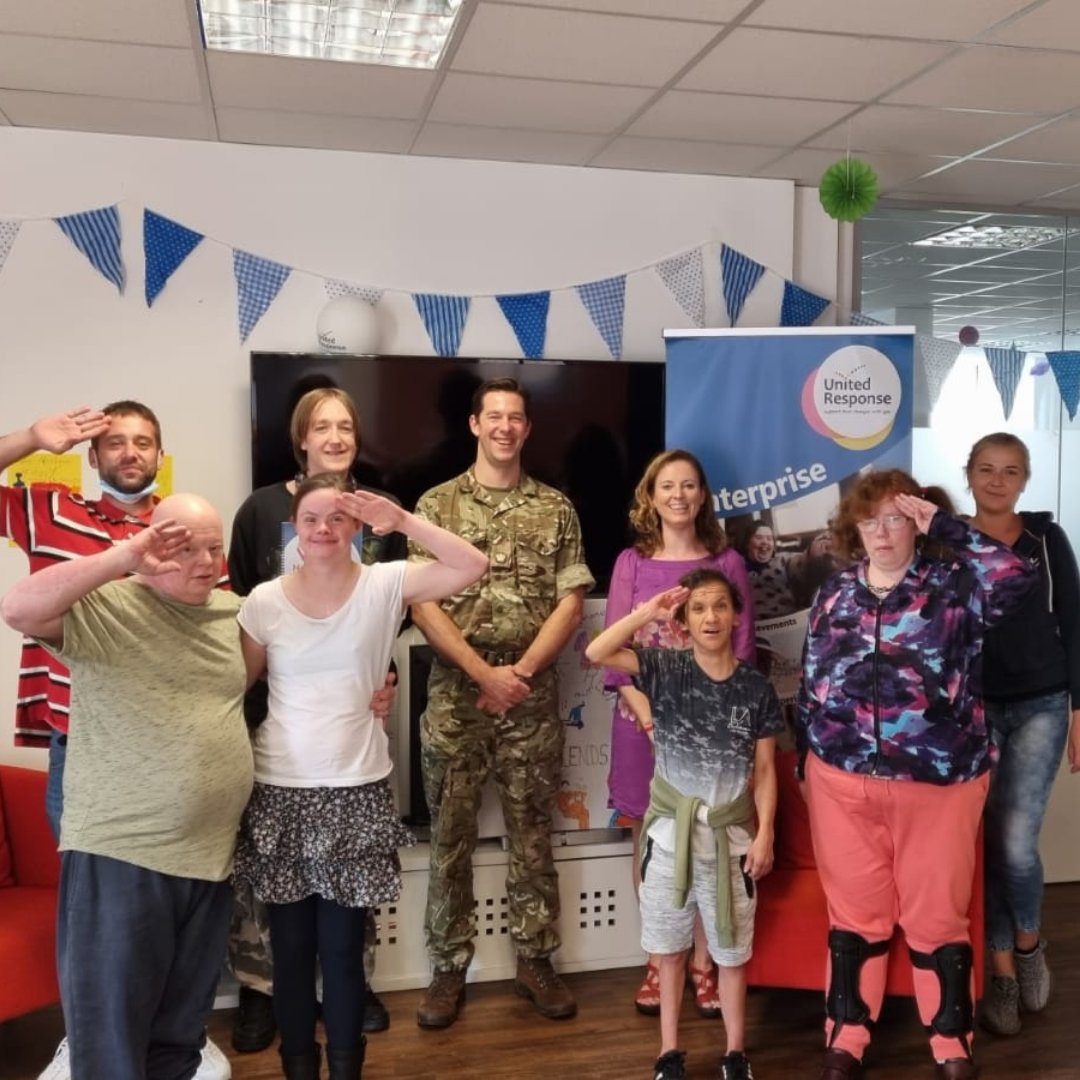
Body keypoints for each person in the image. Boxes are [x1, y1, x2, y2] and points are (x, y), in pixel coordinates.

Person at [0, 404, 231, 1080]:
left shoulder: (182, 526)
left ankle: (168, 1038)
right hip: (84, 741)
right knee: (98, 917)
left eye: (144, 442)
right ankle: (90, 1038)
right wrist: (28, 440)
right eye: (115, 442)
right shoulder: (51, 511)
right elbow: (23, 609)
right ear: (91, 453)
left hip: (167, 749)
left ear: (161, 452)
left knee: (163, 927)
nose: (130, 452)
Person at [233, 474, 488, 1080]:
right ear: (296, 526)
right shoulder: (264, 600)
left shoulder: (385, 584)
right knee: (290, 956)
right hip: (282, 792)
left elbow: (470, 563)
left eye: (337, 519)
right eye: (312, 519)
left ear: (354, 527)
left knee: (345, 954)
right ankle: (298, 1069)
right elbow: (236, 691)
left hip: (357, 791)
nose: (324, 530)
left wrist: (400, 521)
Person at [796, 470, 1036, 1080]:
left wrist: (946, 528)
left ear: (916, 523)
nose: (881, 532)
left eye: (895, 518)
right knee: (854, 917)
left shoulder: (956, 588)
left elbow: (1016, 577)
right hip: (843, 783)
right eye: (870, 519)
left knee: (938, 918)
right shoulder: (836, 593)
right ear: (854, 527)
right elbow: (812, 679)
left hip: (940, 782)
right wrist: (808, 756)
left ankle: (950, 1044)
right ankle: (846, 1037)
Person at [409, 377, 594, 1028]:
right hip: (458, 696)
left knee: (532, 836)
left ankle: (536, 961)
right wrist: (482, 673)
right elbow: (420, 602)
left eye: (516, 417)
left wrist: (517, 672)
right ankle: (447, 967)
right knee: (451, 838)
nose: (505, 427)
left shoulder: (556, 507)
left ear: (527, 429)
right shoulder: (435, 505)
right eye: (494, 416)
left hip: (532, 694)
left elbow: (571, 602)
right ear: (473, 424)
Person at [227, 386, 404, 1050]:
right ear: (301, 437)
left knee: (343, 888)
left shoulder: (375, 514)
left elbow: (385, 613)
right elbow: (241, 606)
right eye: (321, 427)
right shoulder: (260, 509)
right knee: (277, 889)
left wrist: (378, 679)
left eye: (346, 427)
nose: (334, 437)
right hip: (272, 728)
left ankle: (349, 989)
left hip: (353, 727)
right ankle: (258, 992)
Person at [585, 570, 781, 1080]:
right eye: (697, 608)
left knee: (732, 955)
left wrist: (766, 833)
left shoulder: (755, 687)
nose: (710, 617)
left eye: (720, 607)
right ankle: (669, 1053)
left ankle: (735, 1053)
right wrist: (648, 613)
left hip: (730, 841)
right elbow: (597, 652)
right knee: (668, 952)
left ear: (737, 616)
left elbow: (763, 770)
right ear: (685, 620)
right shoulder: (664, 668)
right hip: (668, 842)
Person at [603, 449, 756, 1019]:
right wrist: (651, 717)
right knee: (654, 841)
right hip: (641, 725)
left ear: (702, 496)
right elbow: (615, 658)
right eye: (667, 485)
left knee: (706, 839)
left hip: (712, 735)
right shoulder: (630, 562)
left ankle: (703, 963)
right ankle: (658, 956)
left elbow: (741, 657)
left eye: (689, 485)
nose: (678, 495)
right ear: (651, 494)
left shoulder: (729, 562)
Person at [962, 433, 1080, 1037]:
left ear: (1025, 480)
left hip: (1041, 701)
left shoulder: (1046, 540)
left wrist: (1079, 709)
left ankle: (1030, 945)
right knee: (981, 843)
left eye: (1010, 471)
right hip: (976, 706)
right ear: (969, 475)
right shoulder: (949, 544)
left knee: (1013, 843)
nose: (997, 481)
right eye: (986, 469)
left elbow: (1075, 622)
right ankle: (1002, 969)